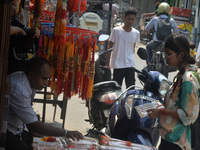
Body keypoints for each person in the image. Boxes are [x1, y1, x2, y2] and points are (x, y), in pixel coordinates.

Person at [5, 57, 84, 150]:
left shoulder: (30, 82)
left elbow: (29, 120)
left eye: (48, 79)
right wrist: (66, 133)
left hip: (17, 129)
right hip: (7, 131)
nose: (47, 83)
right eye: (44, 79)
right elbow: (33, 124)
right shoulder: (19, 88)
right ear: (31, 75)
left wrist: (39, 138)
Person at [147, 34, 199, 150]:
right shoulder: (180, 75)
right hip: (169, 137)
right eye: (165, 53)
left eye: (168, 54)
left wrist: (161, 111)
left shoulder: (188, 78)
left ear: (181, 55)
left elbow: (188, 114)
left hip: (178, 142)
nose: (165, 58)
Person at [106, 7, 140, 89]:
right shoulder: (116, 31)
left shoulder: (136, 33)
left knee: (131, 90)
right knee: (116, 90)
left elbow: (133, 48)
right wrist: (107, 64)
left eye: (132, 19)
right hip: (118, 65)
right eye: (128, 19)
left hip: (130, 65)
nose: (130, 21)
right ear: (124, 18)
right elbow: (110, 48)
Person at [8, 0, 40, 75]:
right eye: (12, 4)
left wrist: (34, 30)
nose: (13, 8)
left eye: (15, 6)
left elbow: (26, 30)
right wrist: (19, 30)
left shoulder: (13, 19)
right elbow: (5, 29)